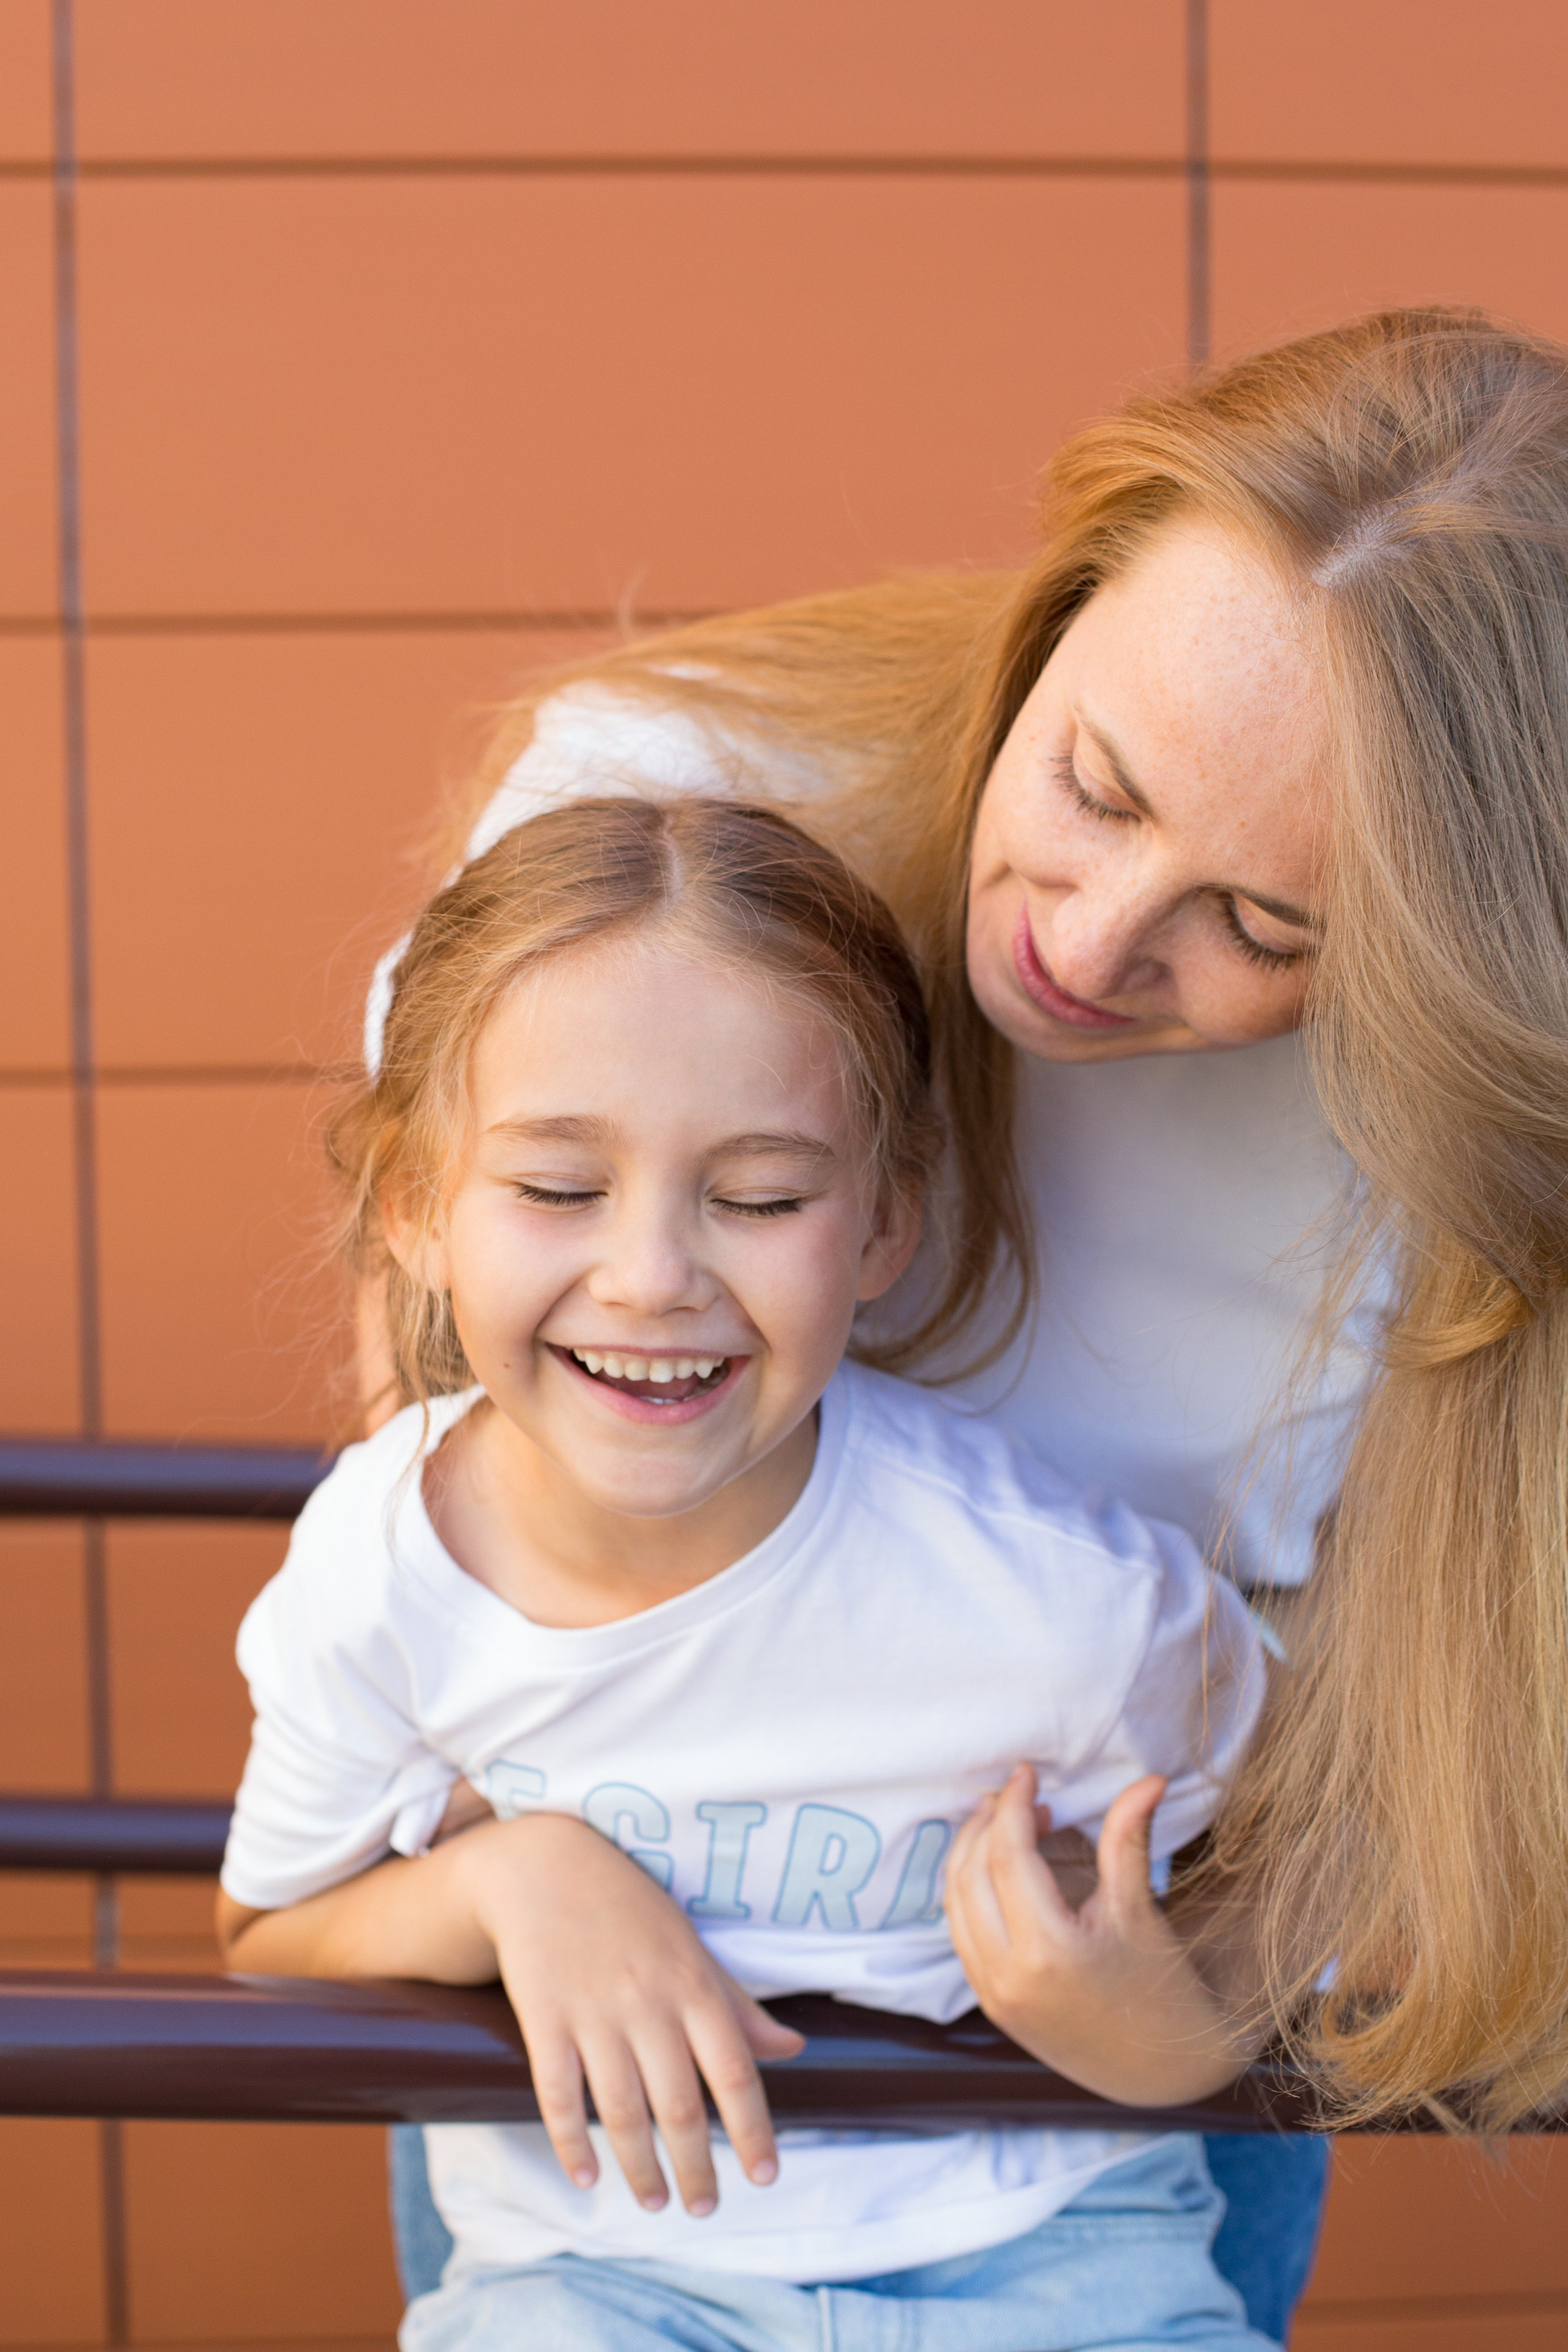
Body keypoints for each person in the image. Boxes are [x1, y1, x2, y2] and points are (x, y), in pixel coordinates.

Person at [355, 306, 1568, 2335]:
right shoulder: (667, 808)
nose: (1090, 940)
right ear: (1066, 596)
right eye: (1094, 786)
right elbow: (450, 1479)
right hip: (616, 2080)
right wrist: (501, 1875)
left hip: (1122, 2101)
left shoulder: (1462, 1146)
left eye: (1265, 926)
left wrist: (1199, 2021)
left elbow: (1418, 1730)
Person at [219, 797, 1270, 2351]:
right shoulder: (382, 1576)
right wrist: (506, 1883)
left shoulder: (1054, 1603)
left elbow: (1342, 1844)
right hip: (594, 2282)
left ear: (884, 1222)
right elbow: (269, 1933)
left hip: (1059, 2256)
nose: (651, 1277)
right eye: (557, 1188)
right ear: (414, 1210)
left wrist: (1169, 2031)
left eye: (762, 1199)